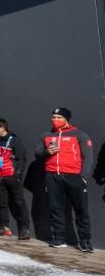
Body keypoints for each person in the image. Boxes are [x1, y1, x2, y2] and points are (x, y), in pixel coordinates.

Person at [35, 107, 94, 251]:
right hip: (53, 177)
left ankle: (85, 241)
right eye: (53, 117)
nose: (55, 120)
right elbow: (37, 153)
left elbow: (89, 157)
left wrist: (84, 177)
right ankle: (59, 239)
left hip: (74, 177)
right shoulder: (46, 135)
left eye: (59, 117)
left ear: (66, 119)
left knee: (81, 210)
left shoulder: (79, 134)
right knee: (56, 209)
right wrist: (46, 152)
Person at [0, 118, 31, 240]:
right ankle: (4, 228)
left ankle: (24, 229)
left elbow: (22, 158)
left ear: (2, 128)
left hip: (12, 176)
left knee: (19, 203)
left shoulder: (14, 140)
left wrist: (18, 175)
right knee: (1, 203)